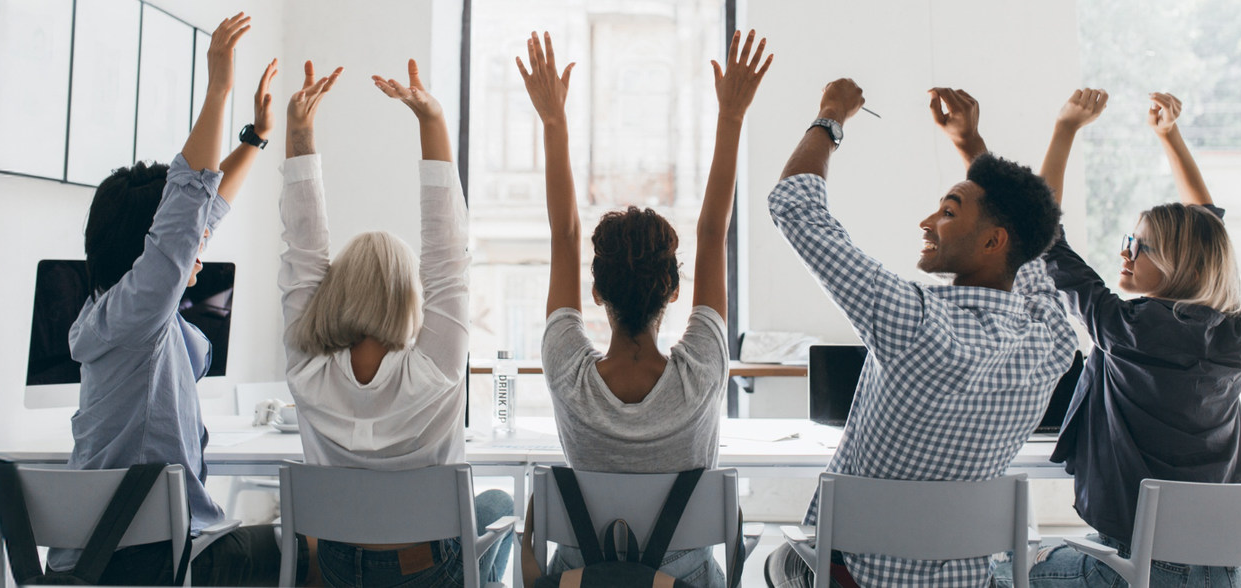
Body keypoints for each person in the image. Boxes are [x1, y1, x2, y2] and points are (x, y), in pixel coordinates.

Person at [761, 80, 1081, 588]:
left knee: (772, 560)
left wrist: (831, 117)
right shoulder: (1053, 341)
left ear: (993, 241)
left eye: (949, 211)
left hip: (855, 579)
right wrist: (971, 147)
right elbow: (1033, 249)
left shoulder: (913, 323)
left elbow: (796, 207)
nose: (927, 221)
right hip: (966, 582)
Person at [515, 30, 768, 588]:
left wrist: (553, 123)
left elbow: (563, 235)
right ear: (672, 292)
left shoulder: (565, 369)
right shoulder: (703, 369)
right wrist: (731, 118)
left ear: (597, 292)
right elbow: (712, 233)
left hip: (581, 579)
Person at [60, 13, 281, 585]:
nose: (197, 245)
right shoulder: (139, 312)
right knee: (309, 546)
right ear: (151, 250)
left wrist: (254, 139)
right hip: (150, 559)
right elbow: (186, 209)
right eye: (181, 245)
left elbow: (201, 212)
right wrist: (218, 91)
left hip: (117, 554)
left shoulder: (112, 312)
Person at [1005, 89, 1241, 588]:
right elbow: (1208, 227)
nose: (1125, 253)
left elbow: (1043, 233)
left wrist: (1065, 129)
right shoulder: (1236, 330)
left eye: (1136, 245)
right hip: (1227, 567)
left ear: (1174, 262)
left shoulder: (1128, 329)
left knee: (998, 570)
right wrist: (1170, 137)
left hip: (1140, 567)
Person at [276, 58, 513, 587]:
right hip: (428, 571)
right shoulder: (436, 368)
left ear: (334, 290)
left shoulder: (306, 370)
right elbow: (448, 257)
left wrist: (299, 134)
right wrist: (431, 124)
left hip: (337, 569)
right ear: (412, 299)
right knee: (497, 501)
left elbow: (304, 248)